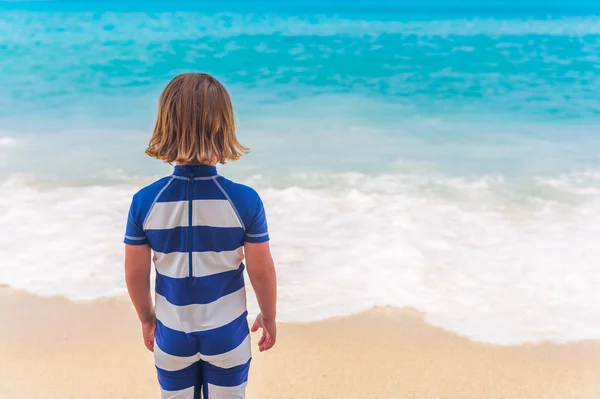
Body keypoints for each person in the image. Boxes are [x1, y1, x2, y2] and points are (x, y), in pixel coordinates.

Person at [123, 73, 277, 399]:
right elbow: (261, 271)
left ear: (165, 125)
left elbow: (136, 274)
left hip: (172, 333)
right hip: (228, 333)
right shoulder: (243, 199)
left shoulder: (146, 201)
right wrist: (269, 316)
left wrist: (147, 319)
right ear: (223, 126)